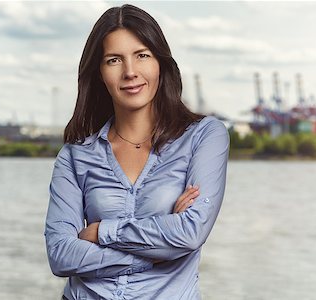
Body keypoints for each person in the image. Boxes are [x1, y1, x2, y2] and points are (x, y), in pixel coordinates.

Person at [44, 4, 229, 300]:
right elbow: (61, 254)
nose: (130, 72)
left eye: (142, 55)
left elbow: (190, 233)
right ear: (99, 72)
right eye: (114, 60)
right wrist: (157, 252)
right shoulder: (75, 155)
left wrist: (103, 232)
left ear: (160, 63)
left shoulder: (204, 136)